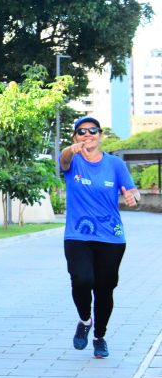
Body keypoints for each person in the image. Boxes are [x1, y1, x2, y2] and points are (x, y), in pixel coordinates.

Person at [60, 116, 139, 358]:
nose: (87, 135)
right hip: (78, 235)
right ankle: (85, 320)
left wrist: (133, 197)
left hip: (111, 238)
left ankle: (99, 336)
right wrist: (69, 150)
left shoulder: (115, 164)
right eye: (81, 132)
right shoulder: (72, 161)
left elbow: (132, 190)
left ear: (100, 135)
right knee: (82, 279)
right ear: (75, 137)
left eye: (92, 131)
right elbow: (63, 160)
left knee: (105, 289)